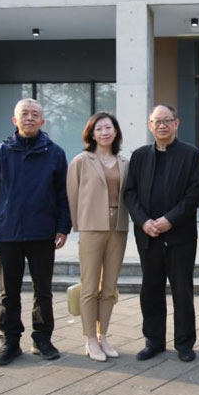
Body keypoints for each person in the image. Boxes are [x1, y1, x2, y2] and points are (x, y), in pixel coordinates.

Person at [0, 98, 71, 366]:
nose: (29, 118)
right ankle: (10, 341)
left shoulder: (55, 153)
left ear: (42, 121)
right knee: (9, 292)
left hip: (42, 233)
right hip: (7, 234)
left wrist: (63, 227)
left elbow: (63, 195)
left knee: (43, 291)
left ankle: (42, 339)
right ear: (14, 120)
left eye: (34, 114)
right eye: (24, 114)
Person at [124, 104, 199, 362]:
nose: (162, 125)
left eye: (167, 120)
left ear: (176, 123)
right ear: (150, 125)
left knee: (182, 291)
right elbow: (130, 193)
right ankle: (154, 340)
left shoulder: (190, 154)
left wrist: (170, 220)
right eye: (157, 121)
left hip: (180, 236)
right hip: (148, 236)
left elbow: (195, 193)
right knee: (151, 290)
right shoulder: (139, 156)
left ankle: (184, 343)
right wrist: (143, 221)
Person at [67, 112, 129, 362]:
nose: (104, 132)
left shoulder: (124, 162)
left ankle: (103, 335)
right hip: (92, 226)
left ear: (116, 132)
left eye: (108, 128)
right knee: (90, 285)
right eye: (99, 128)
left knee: (110, 286)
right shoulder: (82, 160)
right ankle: (90, 337)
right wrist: (77, 225)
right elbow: (72, 194)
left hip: (118, 226)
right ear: (91, 134)